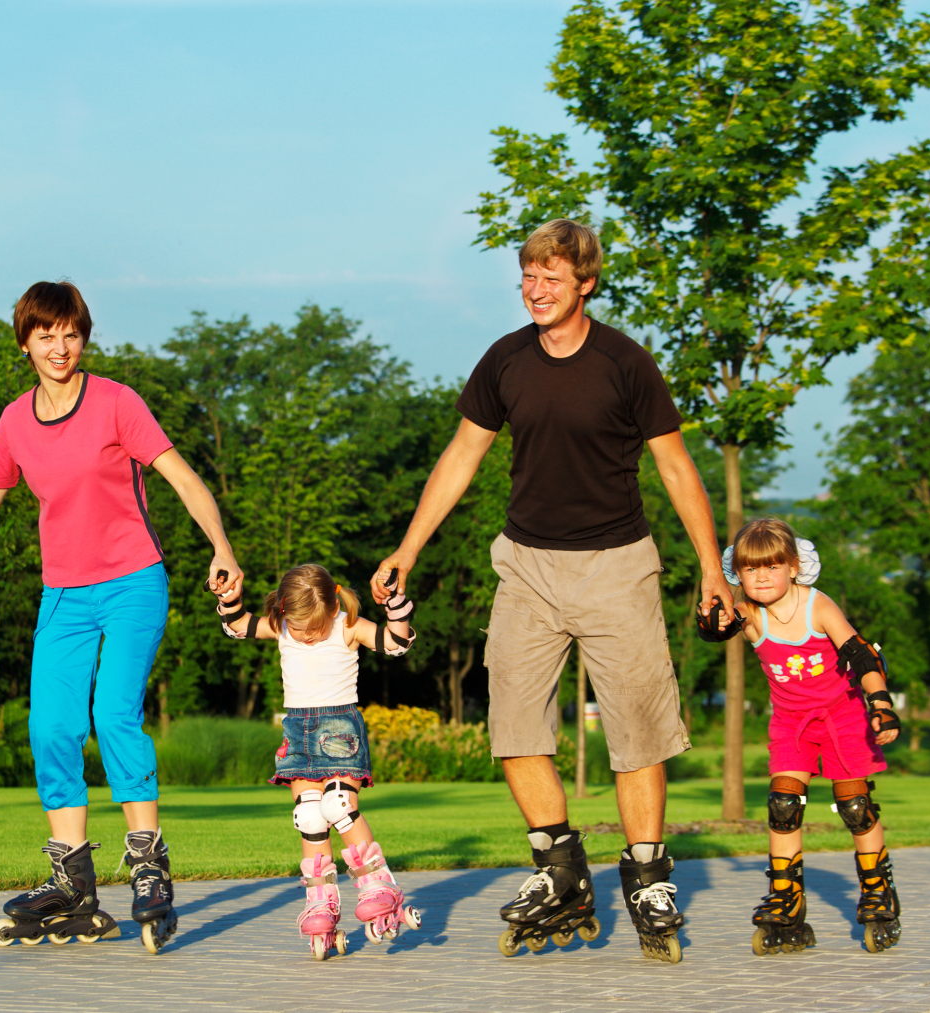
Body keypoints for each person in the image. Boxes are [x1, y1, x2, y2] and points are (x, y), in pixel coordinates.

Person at [371, 218, 730, 963]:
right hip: (527, 566)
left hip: (617, 565)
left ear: (587, 283)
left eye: (552, 278)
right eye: (527, 277)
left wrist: (712, 566)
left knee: (637, 727)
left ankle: (648, 877)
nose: (536, 289)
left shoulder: (626, 364)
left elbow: (676, 468)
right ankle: (560, 869)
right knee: (513, 723)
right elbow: (462, 454)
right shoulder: (504, 360)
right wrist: (408, 546)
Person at [0, 280, 244, 954]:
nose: (60, 346)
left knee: (113, 712)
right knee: (50, 725)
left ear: (83, 336)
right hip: (64, 594)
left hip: (134, 580)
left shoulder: (116, 402)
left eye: (70, 333)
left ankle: (147, 861)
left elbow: (183, 476)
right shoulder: (14, 422)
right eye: (45, 334)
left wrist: (221, 546)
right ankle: (73, 877)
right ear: (24, 342)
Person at [699, 518, 903, 955]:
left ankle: (877, 890)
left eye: (772, 567)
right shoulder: (750, 612)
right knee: (784, 805)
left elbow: (862, 656)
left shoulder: (818, 606)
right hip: (791, 721)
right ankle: (787, 900)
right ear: (740, 573)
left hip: (843, 717)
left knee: (854, 805)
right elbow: (719, 627)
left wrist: (881, 705)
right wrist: (710, 620)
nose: (762, 577)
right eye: (751, 569)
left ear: (794, 566)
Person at [213, 563, 420, 960]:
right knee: (309, 816)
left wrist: (396, 605)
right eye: (299, 626)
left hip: (339, 731)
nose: (305, 635)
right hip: (298, 733)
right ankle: (320, 901)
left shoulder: (348, 625)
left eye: (314, 627)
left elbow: (395, 642)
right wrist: (228, 596)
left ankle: (378, 885)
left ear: (331, 607)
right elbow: (239, 625)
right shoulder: (283, 624)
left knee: (338, 805)